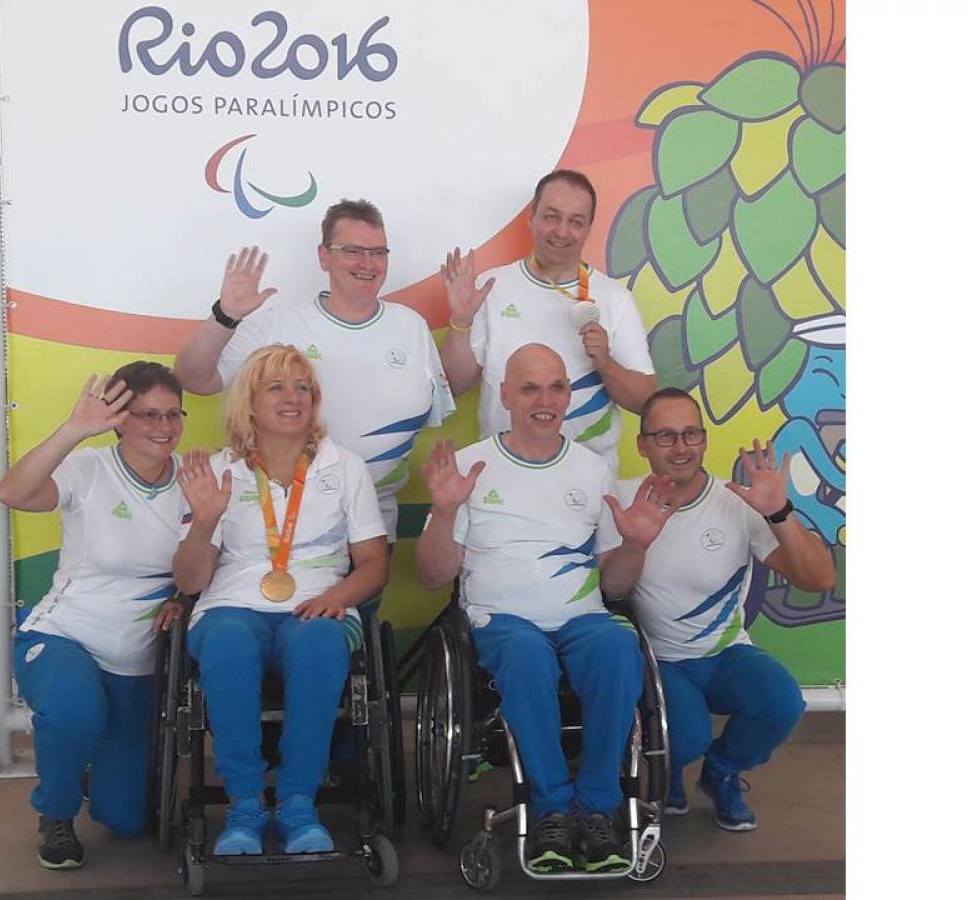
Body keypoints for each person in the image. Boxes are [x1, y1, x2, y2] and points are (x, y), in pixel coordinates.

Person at [414, 343, 677, 873]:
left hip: (581, 618)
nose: (545, 400)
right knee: (528, 656)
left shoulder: (591, 469)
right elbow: (432, 574)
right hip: (501, 621)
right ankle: (553, 810)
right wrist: (444, 513)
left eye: (557, 386)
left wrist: (635, 547)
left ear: (569, 394)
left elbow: (616, 584)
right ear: (505, 393)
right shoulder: (469, 467)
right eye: (530, 387)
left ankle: (599, 810)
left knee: (617, 642)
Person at [172, 344, 390, 856]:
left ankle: (297, 802)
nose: (293, 398)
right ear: (248, 402)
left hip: (320, 605)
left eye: (303, 388)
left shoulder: (346, 467)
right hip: (231, 606)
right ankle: (245, 804)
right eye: (276, 387)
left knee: (317, 642)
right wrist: (204, 521)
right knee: (225, 643)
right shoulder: (221, 470)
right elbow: (189, 579)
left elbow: (375, 566)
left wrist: (338, 596)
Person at [0, 361, 193, 870]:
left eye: (173, 414)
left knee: (127, 822)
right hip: (66, 637)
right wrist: (73, 430)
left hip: (137, 662)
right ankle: (56, 812)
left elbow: (214, 559)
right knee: (72, 710)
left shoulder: (197, 479)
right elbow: (13, 494)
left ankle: (85, 764)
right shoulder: (88, 468)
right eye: (149, 414)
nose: (164, 427)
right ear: (120, 419)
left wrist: (185, 599)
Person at [173, 198, 454, 545]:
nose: (368, 263)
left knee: (356, 600)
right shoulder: (277, 323)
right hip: (281, 524)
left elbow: (441, 403)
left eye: (378, 252)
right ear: (323, 256)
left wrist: (463, 323)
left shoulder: (411, 326)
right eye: (352, 250)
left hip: (374, 526)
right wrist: (225, 316)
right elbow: (193, 379)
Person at [620, 387, 835, 831]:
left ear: (703, 439)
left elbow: (819, 580)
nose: (681, 448)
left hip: (725, 654)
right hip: (661, 662)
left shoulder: (737, 500)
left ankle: (720, 773)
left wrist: (779, 511)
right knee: (687, 736)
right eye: (665, 436)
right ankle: (669, 774)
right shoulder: (621, 499)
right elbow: (606, 586)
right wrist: (634, 542)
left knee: (781, 702)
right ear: (642, 444)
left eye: (691, 434)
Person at [438, 169, 656, 474]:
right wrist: (460, 323)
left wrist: (606, 364)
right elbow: (455, 384)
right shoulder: (492, 286)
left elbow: (645, 399)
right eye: (552, 217)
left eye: (575, 222)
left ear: (589, 228)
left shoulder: (613, 298)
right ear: (531, 217)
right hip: (502, 472)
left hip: (586, 480)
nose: (562, 231)